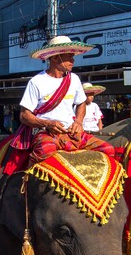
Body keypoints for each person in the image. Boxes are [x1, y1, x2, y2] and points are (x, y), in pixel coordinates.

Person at [13, 35, 115, 164]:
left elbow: (81, 103)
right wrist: (48, 124)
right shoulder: (36, 82)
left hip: (71, 132)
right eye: (69, 57)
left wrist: (78, 122)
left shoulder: (74, 79)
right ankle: (28, 180)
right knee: (45, 152)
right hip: (46, 133)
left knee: (108, 149)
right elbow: (24, 115)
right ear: (56, 57)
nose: (73, 60)